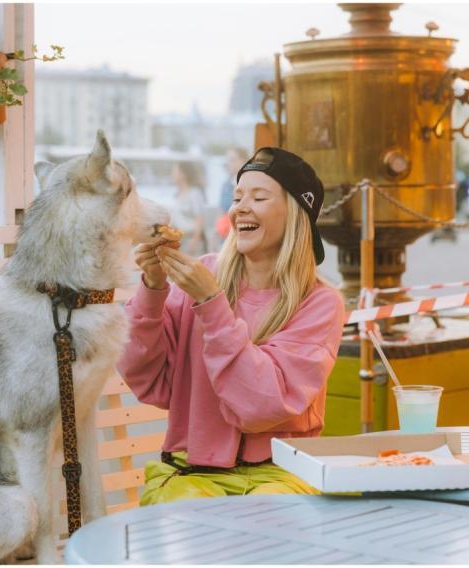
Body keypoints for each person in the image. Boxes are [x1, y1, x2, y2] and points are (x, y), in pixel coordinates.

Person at [118, 147, 345, 505]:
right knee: (190, 523)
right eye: (238, 196)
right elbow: (148, 379)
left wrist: (212, 304)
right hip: (192, 472)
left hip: (281, 474)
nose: (240, 207)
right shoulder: (201, 276)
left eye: (259, 196)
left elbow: (260, 406)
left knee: (275, 523)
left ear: (295, 214)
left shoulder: (320, 303)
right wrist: (153, 288)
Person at [169, 161, 209, 256]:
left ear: (183, 174)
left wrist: (194, 241)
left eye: (175, 170)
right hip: (180, 239)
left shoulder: (194, 193)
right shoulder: (178, 193)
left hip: (191, 239)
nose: (173, 173)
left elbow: (200, 218)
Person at [217, 147, 249, 241]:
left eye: (232, 159)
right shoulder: (226, 185)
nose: (229, 163)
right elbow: (221, 211)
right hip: (225, 236)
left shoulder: (250, 184)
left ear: (243, 161)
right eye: (228, 160)